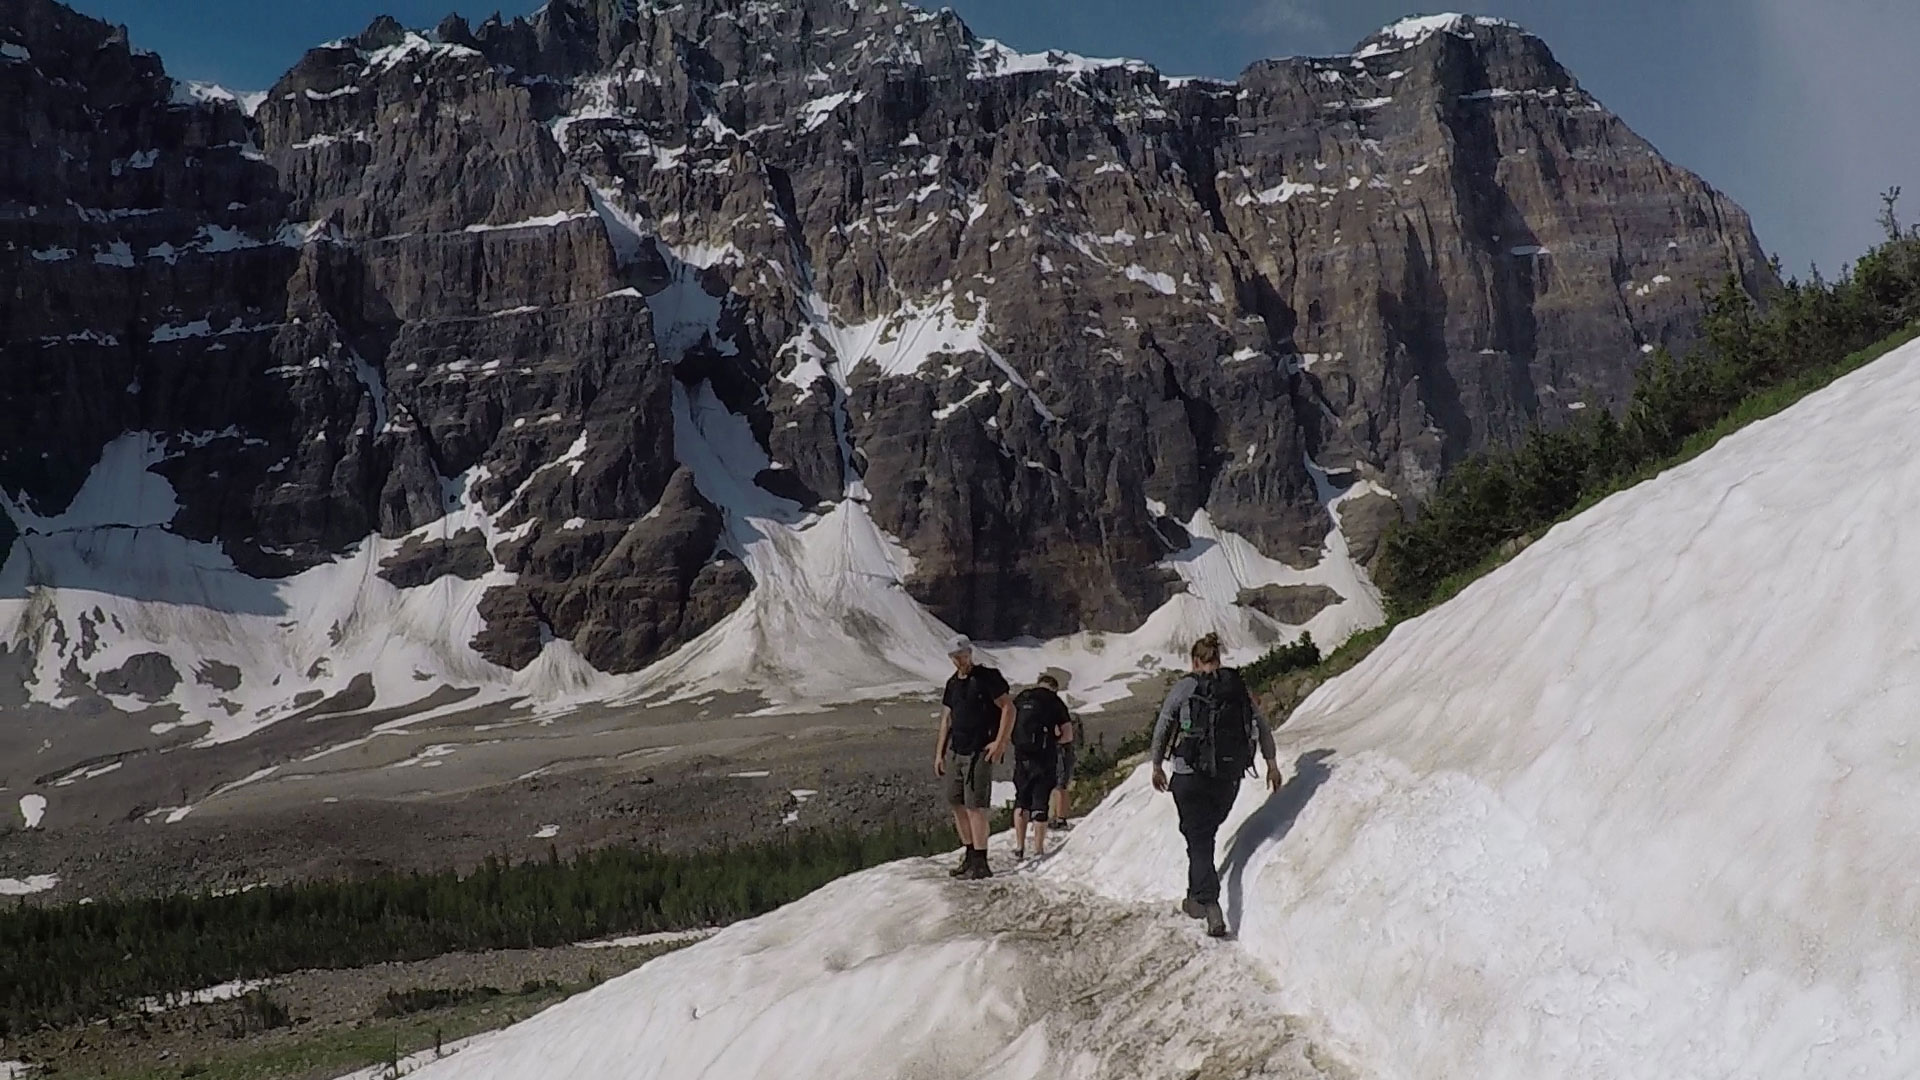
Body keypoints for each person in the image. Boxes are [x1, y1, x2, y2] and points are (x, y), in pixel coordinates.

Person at [1150, 632, 1282, 937]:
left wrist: (1157, 765)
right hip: (1227, 777)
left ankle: (1210, 906)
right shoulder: (1235, 687)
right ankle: (1194, 895)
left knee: (1199, 840)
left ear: (1195, 661)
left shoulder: (1185, 687)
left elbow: (1164, 724)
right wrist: (1272, 764)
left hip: (1188, 776)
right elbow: (1259, 723)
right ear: (1218, 660)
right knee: (1203, 835)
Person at [934, 635, 1013, 879]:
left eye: (965, 655)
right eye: (957, 657)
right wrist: (939, 753)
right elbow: (947, 719)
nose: (961, 661)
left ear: (971, 654)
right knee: (957, 803)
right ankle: (969, 853)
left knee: (976, 806)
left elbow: (1008, 707)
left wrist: (1000, 742)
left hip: (979, 749)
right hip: (957, 749)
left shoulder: (987, 678)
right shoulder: (953, 684)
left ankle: (981, 859)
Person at [1010, 674, 1071, 861]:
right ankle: (1038, 849)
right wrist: (1054, 742)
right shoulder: (1054, 701)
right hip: (1044, 758)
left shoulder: (1021, 698)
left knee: (1021, 801)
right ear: (1053, 688)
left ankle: (1019, 847)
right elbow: (1068, 735)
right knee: (1040, 802)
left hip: (1022, 756)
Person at [1049, 683, 1084, 830]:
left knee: (1059, 785)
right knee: (1058, 785)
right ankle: (1057, 815)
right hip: (1065, 750)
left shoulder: (1056, 708)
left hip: (1061, 749)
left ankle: (1060, 817)